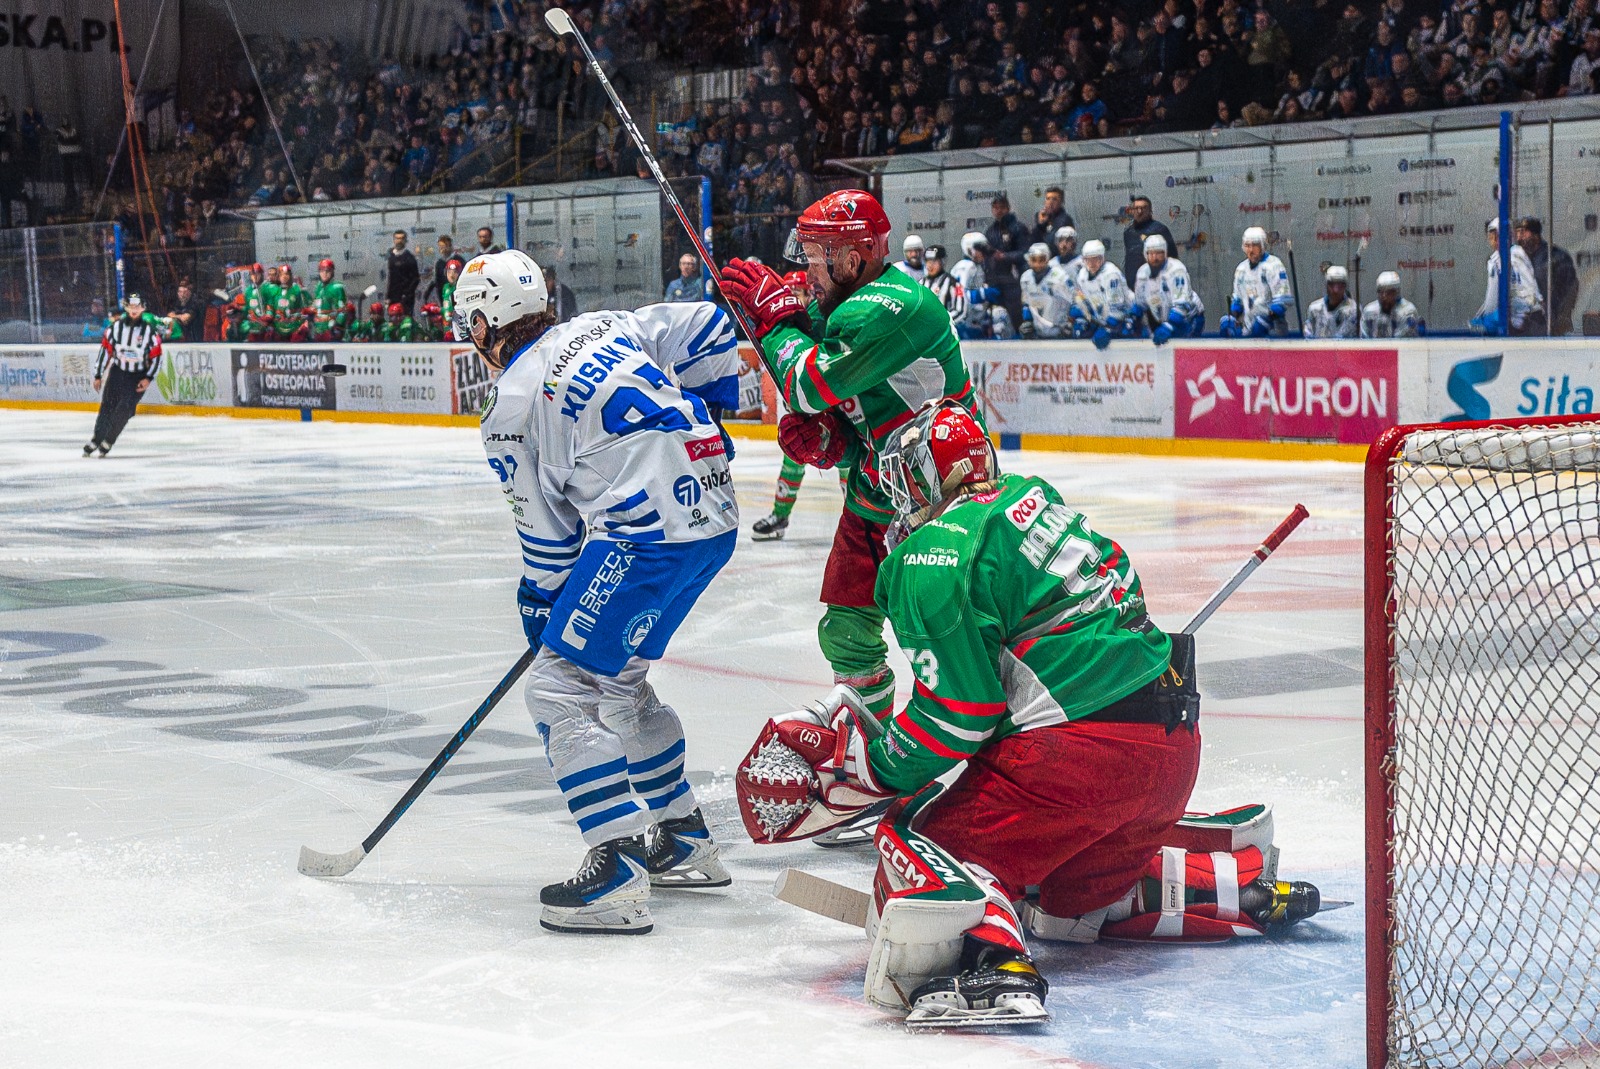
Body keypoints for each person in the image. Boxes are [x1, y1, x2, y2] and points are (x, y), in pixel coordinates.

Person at [733, 400, 1328, 1026]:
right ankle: (1234, 888)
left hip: (1078, 757)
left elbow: (959, 714)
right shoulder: (1031, 497)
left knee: (917, 836)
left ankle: (992, 965)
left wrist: (870, 771)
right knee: (1066, 907)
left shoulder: (933, 553)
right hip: (1173, 751)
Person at [454, 249, 739, 934]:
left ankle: (614, 863)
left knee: (557, 687)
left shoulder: (508, 405)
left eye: (470, 323)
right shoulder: (610, 324)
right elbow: (709, 329)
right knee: (619, 680)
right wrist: (716, 416)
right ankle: (682, 834)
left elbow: (551, 548)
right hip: (714, 517)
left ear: (489, 322)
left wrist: (539, 610)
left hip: (644, 539)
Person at [717, 189, 977, 742]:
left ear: (851, 259)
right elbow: (868, 410)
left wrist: (773, 324)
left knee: (952, 641)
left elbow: (807, 384)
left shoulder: (889, 306)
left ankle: (988, 753)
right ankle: (872, 750)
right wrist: (838, 442)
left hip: (940, 508)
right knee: (847, 630)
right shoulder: (848, 300)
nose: (806, 268)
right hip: (876, 495)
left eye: (814, 256)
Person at [752, 270, 828, 543]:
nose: (795, 297)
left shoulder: (822, 314)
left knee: (848, 466)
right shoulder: (788, 323)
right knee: (793, 459)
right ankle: (780, 515)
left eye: (799, 291)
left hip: (835, 403)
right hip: (804, 406)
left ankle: (859, 520)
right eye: (791, 292)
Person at [85, 294, 163, 457]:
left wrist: (148, 378)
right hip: (117, 373)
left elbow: (157, 356)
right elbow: (105, 352)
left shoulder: (149, 331)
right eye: (131, 307)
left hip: (137, 376)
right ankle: (97, 438)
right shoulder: (114, 329)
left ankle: (109, 440)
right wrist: (98, 374)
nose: (134, 311)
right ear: (126, 308)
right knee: (107, 406)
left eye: (137, 307)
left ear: (143, 308)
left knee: (125, 408)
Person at [1473, 219, 1545, 336]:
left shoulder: (1514, 254)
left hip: (1523, 320)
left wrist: (1520, 319)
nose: (1493, 239)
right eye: (1490, 236)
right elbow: (1491, 297)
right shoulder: (1495, 259)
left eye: (1496, 235)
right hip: (1507, 317)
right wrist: (1483, 315)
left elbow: (1528, 291)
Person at [1220, 227, 1293, 337]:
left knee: (1260, 325)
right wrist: (1234, 317)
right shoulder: (1241, 269)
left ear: (1263, 246)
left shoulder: (1274, 265)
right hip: (1249, 322)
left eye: (1255, 245)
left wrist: (1266, 314)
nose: (1251, 250)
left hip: (1272, 325)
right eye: (1247, 246)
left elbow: (1281, 301)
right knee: (1226, 323)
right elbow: (1237, 301)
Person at [1131, 234, 1204, 344]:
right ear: (1145, 254)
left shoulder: (1176, 269)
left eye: (1159, 253)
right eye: (1151, 253)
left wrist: (1169, 327)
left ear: (1165, 253)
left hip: (1189, 319)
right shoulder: (1142, 273)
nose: (1155, 257)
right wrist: (1132, 321)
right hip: (1165, 320)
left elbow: (1182, 304)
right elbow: (1140, 304)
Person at [1514, 217, 1578, 336]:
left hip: (1548, 325)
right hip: (1523, 326)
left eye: (1522, 232)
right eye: (1517, 233)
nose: (1519, 237)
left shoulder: (1556, 257)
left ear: (1535, 234)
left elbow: (1570, 290)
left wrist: (1559, 318)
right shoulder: (1518, 260)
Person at [1071, 239, 1132, 350]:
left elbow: (1118, 308)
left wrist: (1107, 328)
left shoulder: (1110, 274)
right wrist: (1082, 319)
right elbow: (1083, 301)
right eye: (1088, 259)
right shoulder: (1082, 276)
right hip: (1102, 320)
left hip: (1123, 319)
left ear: (1102, 258)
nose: (1092, 263)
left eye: (1096, 259)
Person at [983, 194, 1031, 333]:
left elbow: (1025, 253)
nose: (998, 211)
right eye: (995, 208)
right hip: (996, 282)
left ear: (1008, 208)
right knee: (998, 320)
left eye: (1002, 208)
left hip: (1013, 282)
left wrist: (1005, 256)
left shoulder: (1018, 228)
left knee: (1017, 317)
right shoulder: (991, 231)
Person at [952, 231, 1010, 339]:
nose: (983, 252)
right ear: (969, 249)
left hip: (975, 317)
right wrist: (983, 294)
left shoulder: (977, 266)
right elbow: (959, 294)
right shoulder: (967, 266)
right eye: (980, 249)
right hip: (965, 320)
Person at [1018, 243, 1077, 338]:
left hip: (1060, 331)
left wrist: (1071, 321)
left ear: (1048, 259)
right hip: (1038, 332)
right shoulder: (1026, 278)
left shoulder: (1059, 276)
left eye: (1041, 260)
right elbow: (1026, 303)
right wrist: (1028, 321)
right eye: (1034, 260)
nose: (1037, 264)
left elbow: (1075, 299)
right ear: (1029, 260)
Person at [1121, 196, 1176, 283]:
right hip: (1134, 284)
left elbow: (1172, 257)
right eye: (1136, 208)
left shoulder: (1160, 229)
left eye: (1143, 208)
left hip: (1157, 283)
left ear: (1150, 211)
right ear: (1132, 211)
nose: (1139, 211)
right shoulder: (1128, 232)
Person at [1303, 266, 1359, 338]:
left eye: (1340, 285)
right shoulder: (1314, 309)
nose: (1335, 290)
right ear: (1326, 285)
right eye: (1331, 284)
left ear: (1345, 286)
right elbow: (1308, 335)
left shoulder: (1354, 309)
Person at [1361, 272, 1421, 338]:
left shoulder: (1407, 312)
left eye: (1388, 293)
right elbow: (1363, 338)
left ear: (1397, 292)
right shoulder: (1369, 311)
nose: (1384, 297)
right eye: (1380, 292)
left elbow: (1401, 341)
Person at [920, 245, 967, 326]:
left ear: (942, 262)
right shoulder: (921, 283)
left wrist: (940, 322)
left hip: (946, 331)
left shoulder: (953, 284)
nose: (930, 265)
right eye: (928, 261)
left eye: (934, 261)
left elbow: (960, 311)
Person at [310, 259, 350, 341]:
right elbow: (315, 307)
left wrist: (336, 326)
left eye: (327, 271)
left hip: (330, 331)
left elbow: (342, 311)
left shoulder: (337, 288)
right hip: (318, 330)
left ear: (332, 272)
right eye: (322, 271)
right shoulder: (319, 287)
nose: (324, 273)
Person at [385, 230, 420, 314]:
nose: (399, 241)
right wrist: (388, 297)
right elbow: (391, 279)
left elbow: (416, 279)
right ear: (394, 240)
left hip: (406, 299)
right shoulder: (391, 257)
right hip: (393, 297)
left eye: (401, 238)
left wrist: (407, 295)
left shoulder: (410, 258)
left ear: (405, 240)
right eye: (397, 238)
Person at [424, 235, 456, 303]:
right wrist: (427, 293)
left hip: (456, 295)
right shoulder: (439, 262)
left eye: (444, 246)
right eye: (440, 247)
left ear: (450, 246)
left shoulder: (458, 260)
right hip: (443, 295)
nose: (442, 249)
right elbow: (435, 280)